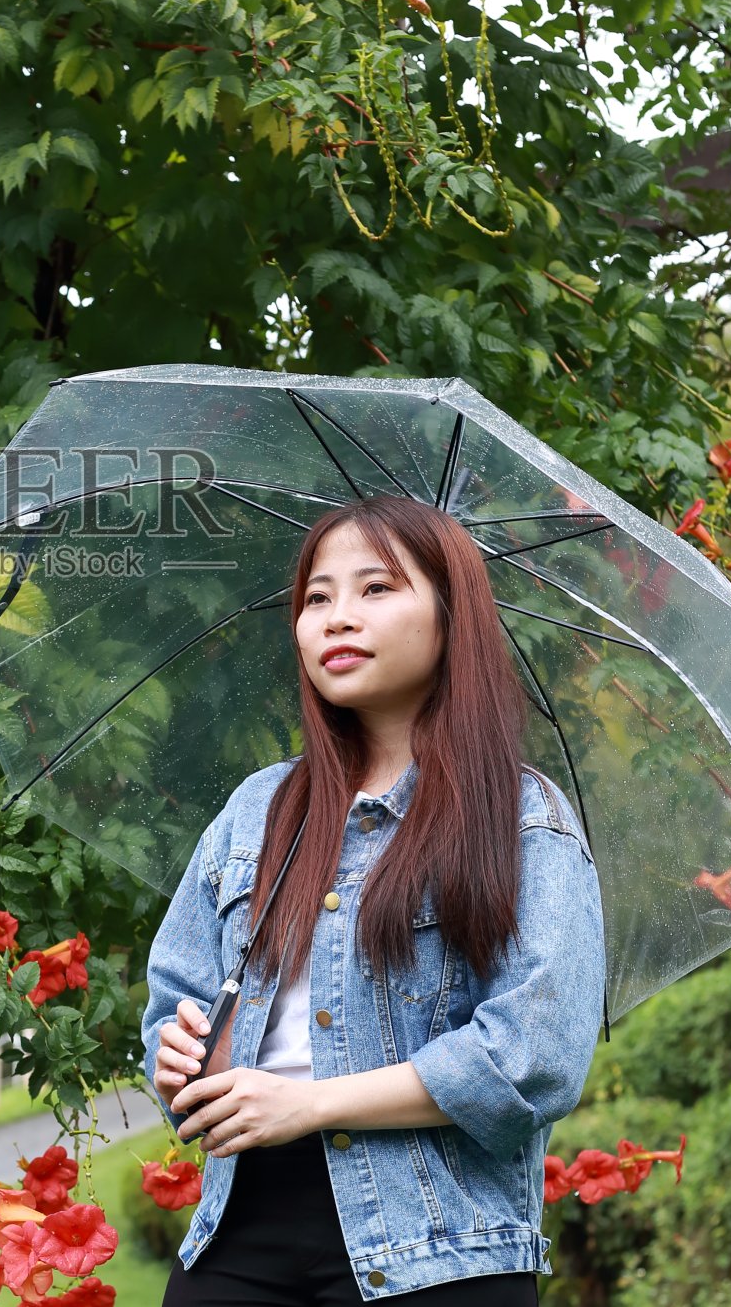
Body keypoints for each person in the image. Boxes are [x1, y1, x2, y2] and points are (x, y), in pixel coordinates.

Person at [140, 493, 607, 1304]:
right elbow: (175, 1001)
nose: (336, 618)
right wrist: (183, 1058)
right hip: (238, 1237)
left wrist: (312, 1103)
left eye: (376, 589)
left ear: (450, 617)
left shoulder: (523, 820)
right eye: (317, 597)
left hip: (439, 1246)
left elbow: (533, 1059)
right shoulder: (257, 809)